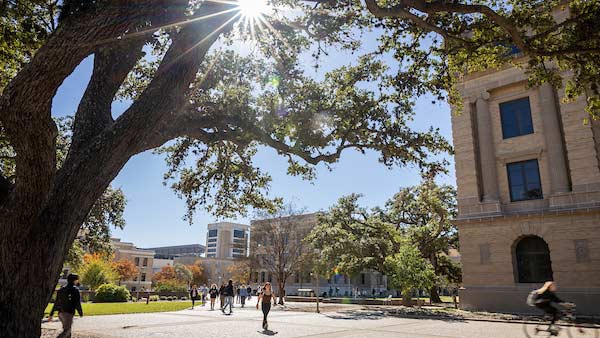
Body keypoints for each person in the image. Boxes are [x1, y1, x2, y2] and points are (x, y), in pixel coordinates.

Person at [48, 274, 83, 338]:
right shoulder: (75, 290)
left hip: (60, 313)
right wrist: (80, 312)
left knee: (67, 331)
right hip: (68, 314)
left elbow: (56, 302)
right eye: (77, 280)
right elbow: (77, 303)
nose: (78, 281)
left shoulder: (61, 290)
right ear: (74, 281)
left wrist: (51, 314)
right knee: (66, 331)